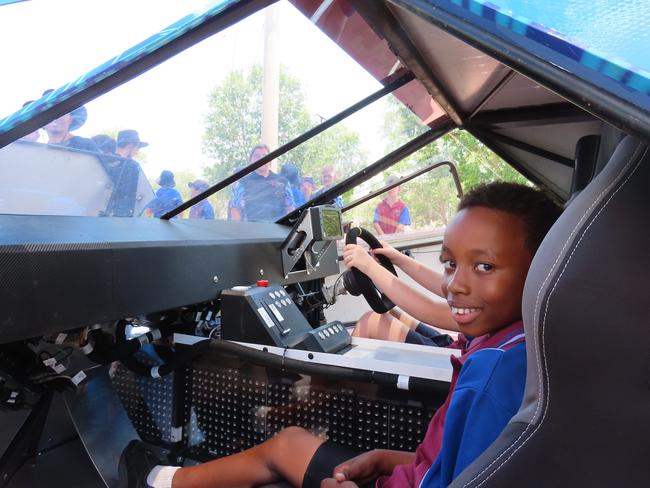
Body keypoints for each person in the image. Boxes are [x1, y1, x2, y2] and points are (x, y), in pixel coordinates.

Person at [119, 181, 562, 488]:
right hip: (410, 472)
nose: (456, 285)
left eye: (484, 267)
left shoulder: (491, 376)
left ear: (543, 268)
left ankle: (158, 480)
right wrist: (390, 458)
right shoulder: (507, 345)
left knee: (287, 444)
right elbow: (458, 465)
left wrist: (369, 266)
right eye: (450, 263)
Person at [229, 144, 295, 222]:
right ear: (250, 160)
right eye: (257, 156)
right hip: (252, 231)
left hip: (278, 231)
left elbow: (290, 208)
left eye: (264, 156)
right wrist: (239, 232)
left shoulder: (283, 182)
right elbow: (235, 210)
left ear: (270, 160)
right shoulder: (242, 183)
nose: (261, 158)